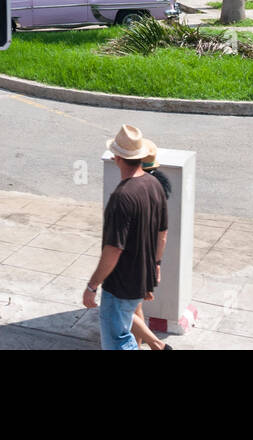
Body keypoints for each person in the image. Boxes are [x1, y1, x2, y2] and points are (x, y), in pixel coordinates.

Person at [83, 125, 168, 351]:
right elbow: (162, 235)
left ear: (117, 157)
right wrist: (155, 266)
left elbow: (113, 250)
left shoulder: (121, 197)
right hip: (141, 277)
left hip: (120, 284)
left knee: (118, 342)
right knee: (127, 323)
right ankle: (158, 346)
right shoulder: (154, 186)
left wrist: (92, 286)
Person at [129, 143, 173, 351]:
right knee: (135, 309)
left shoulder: (135, 191)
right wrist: (156, 264)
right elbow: (162, 236)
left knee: (120, 310)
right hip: (147, 258)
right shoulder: (158, 191)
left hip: (131, 259)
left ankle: (159, 346)